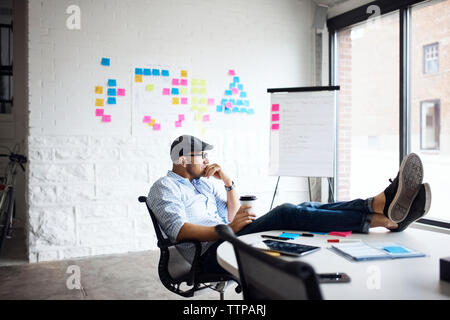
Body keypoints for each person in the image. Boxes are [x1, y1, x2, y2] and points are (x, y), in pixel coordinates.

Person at [147, 135, 432, 274]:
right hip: (209, 255)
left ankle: (383, 211)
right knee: (286, 212)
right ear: (182, 159)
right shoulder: (164, 188)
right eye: (201, 156)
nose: (208, 161)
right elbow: (180, 231)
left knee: (305, 205)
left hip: (228, 238)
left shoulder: (204, 184)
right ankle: (382, 210)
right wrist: (227, 228)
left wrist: (229, 183)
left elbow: (231, 216)